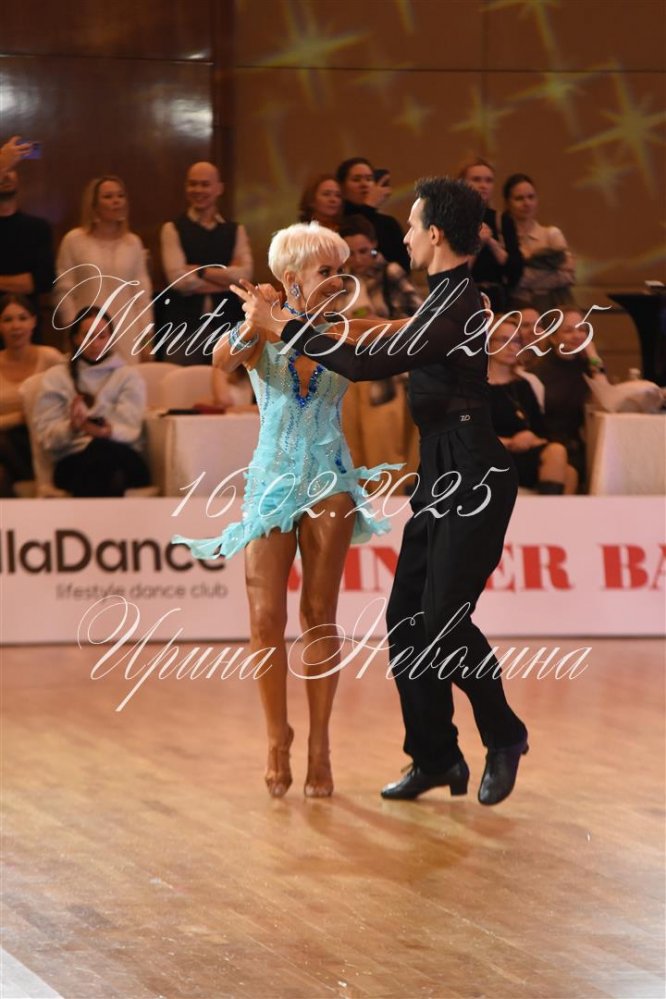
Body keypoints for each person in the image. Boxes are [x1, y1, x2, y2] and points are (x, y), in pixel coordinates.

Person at [236, 178, 529, 806]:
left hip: (475, 473)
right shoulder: (443, 298)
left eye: (413, 225)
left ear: (436, 234)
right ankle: (435, 757)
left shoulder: (457, 304)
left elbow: (370, 363)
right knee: (406, 620)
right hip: (441, 469)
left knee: (443, 622)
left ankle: (504, 734)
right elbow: (380, 331)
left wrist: (285, 326)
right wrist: (289, 323)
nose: (405, 236)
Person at [172, 223, 397, 799]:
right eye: (328, 271)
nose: (340, 280)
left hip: (330, 481)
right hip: (271, 480)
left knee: (319, 612)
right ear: (292, 277)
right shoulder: (259, 328)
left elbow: (404, 332)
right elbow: (224, 361)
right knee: (264, 616)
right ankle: (278, 736)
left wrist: (470, 317)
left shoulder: (346, 330)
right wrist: (255, 321)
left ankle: (321, 742)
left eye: (342, 271)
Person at [338, 214, 421, 482]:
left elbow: (420, 320)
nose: (358, 259)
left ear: (374, 245)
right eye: (350, 253)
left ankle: (391, 503)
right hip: (346, 373)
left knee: (384, 449)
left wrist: (379, 325)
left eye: (364, 251)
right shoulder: (339, 280)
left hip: (385, 373)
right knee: (353, 449)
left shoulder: (390, 272)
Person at [34, 307, 150, 496]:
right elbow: (47, 439)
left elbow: (132, 429)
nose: (95, 344)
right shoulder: (56, 377)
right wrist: (73, 426)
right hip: (74, 457)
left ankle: (85, 512)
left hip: (121, 454)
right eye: (88, 336)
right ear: (75, 338)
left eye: (102, 336)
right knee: (98, 459)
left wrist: (106, 432)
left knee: (102, 449)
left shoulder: (128, 376)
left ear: (111, 338)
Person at [160, 161, 253, 365]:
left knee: (228, 383)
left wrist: (200, 272)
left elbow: (245, 276)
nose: (198, 190)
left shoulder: (235, 230)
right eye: (193, 184)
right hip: (183, 328)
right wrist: (227, 280)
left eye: (205, 184)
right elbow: (179, 281)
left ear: (219, 188)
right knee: (177, 382)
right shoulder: (172, 229)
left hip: (229, 326)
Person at [54, 175, 153, 364]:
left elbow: (142, 296)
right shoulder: (74, 240)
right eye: (108, 197)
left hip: (127, 332)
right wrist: (73, 330)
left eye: (120, 196)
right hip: (88, 332)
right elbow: (64, 290)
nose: (116, 201)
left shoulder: (133, 242)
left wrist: (146, 339)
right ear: (93, 205)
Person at [487, 314, 577, 493]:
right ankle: (549, 510)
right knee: (558, 454)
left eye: (516, 341)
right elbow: (467, 434)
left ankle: (549, 510)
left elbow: (542, 432)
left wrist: (530, 437)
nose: (512, 347)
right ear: (488, 343)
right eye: (504, 340)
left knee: (570, 472)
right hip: (492, 454)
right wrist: (511, 442)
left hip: (526, 453)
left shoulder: (523, 385)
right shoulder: (473, 387)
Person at [532, 307, 609, 490]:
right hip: (546, 445)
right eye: (568, 331)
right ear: (553, 337)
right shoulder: (537, 372)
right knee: (569, 472)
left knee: (578, 470)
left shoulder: (588, 368)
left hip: (577, 446)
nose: (577, 336)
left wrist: (593, 357)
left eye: (582, 329)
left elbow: (606, 402)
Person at [0, 294, 64, 496]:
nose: (16, 326)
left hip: (44, 442)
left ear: (33, 322)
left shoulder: (51, 358)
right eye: (7, 320)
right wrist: (21, 417)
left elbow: (66, 403)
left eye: (22, 318)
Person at [502, 173, 575, 312]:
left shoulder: (551, 234)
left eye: (531, 197)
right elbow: (507, 280)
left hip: (553, 306)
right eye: (519, 198)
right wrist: (549, 271)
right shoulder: (502, 239)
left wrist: (524, 275)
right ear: (507, 203)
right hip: (516, 309)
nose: (526, 203)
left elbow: (568, 275)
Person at [458, 156, 522, 311]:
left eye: (488, 181)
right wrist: (478, 243)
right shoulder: (451, 219)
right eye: (476, 180)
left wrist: (492, 243)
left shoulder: (502, 220)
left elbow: (515, 271)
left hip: (498, 299)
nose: (483, 185)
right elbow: (453, 274)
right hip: (463, 298)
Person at [0, 167, 55, 327]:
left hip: (27, 327)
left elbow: (44, 281)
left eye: (10, 169)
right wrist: (22, 282)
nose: (6, 175)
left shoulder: (38, 228)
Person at [336, 157, 410, 272]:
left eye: (369, 179)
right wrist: (369, 206)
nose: (364, 184)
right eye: (356, 180)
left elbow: (404, 267)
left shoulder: (388, 224)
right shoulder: (335, 221)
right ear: (342, 187)